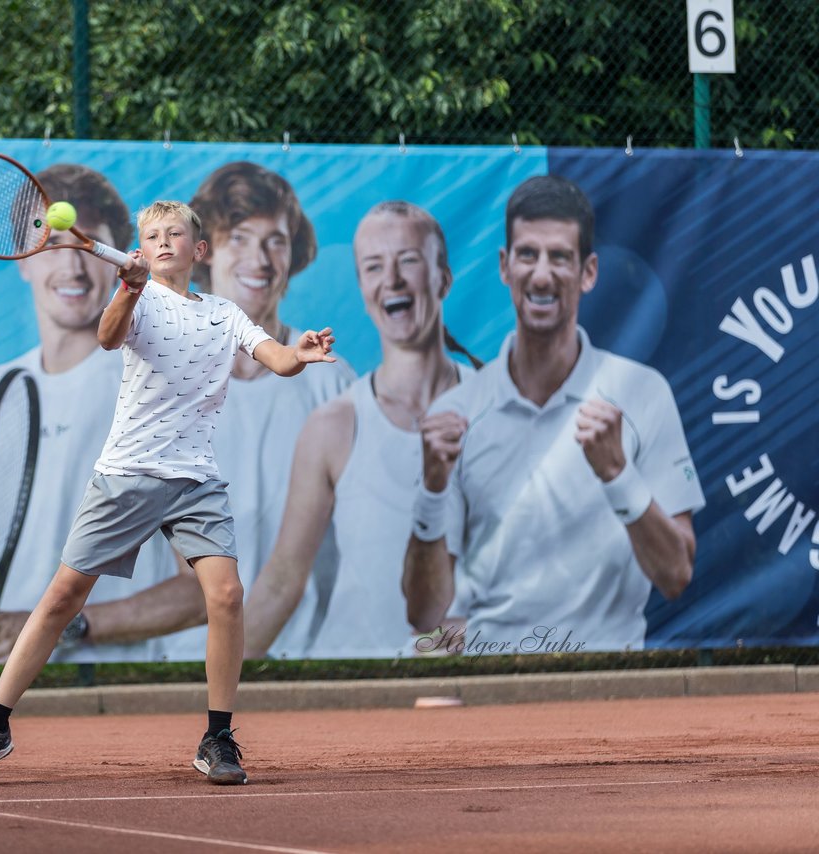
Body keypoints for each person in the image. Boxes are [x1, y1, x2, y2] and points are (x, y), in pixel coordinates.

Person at [0, 200, 337, 787]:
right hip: (126, 474)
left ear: (198, 251)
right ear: (142, 249)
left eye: (175, 234)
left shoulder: (225, 314)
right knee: (60, 600)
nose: (163, 242)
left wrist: (299, 354)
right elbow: (108, 338)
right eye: (151, 235)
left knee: (226, 597)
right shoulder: (139, 299)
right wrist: (127, 291)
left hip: (195, 481)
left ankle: (218, 736)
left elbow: (277, 359)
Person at [402, 175, 705, 653]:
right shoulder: (456, 412)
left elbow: (676, 576)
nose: (541, 274)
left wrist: (617, 474)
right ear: (505, 267)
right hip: (491, 686)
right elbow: (424, 616)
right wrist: (431, 492)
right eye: (528, 254)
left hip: (613, 686)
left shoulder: (643, 393)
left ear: (588, 272)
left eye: (559, 257)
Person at [0, 163, 177, 666]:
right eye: (48, 243)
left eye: (85, 246)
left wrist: (65, 627)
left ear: (114, 260)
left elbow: (202, 588)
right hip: (5, 685)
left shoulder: (152, 384)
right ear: (22, 260)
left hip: (113, 689)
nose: (70, 268)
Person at [244, 201, 480, 659]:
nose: (391, 279)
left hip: (468, 688)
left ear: (444, 279)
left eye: (408, 260)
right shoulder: (332, 426)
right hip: (350, 686)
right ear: (363, 288)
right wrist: (211, 694)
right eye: (374, 266)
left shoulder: (496, 409)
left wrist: (483, 636)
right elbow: (282, 580)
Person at [162, 161, 357, 661]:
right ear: (207, 255)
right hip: (186, 657)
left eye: (276, 240)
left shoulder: (333, 378)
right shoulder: (169, 375)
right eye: (240, 238)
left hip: (313, 657)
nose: (261, 259)